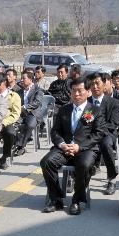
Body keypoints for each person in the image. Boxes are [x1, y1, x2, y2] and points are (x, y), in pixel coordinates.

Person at [41, 78, 105, 215]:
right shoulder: (64, 110)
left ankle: (77, 200)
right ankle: (56, 198)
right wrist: (63, 144)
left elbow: (98, 134)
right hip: (64, 148)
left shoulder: (95, 111)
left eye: (80, 91)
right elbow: (55, 131)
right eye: (73, 91)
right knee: (46, 162)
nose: (76, 94)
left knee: (85, 165)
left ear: (88, 92)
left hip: (85, 149)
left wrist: (79, 147)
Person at [86, 72, 119, 195]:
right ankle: (75, 177)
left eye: (98, 83)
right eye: (92, 84)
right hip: (89, 134)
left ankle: (112, 179)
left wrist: (98, 131)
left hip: (106, 134)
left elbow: (113, 124)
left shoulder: (113, 103)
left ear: (104, 85)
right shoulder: (86, 102)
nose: (95, 86)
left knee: (106, 144)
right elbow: (85, 121)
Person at [13, 69, 44, 155]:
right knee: (10, 124)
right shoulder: (19, 90)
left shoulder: (38, 90)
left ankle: (20, 146)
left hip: (32, 114)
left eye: (24, 78)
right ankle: (17, 142)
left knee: (30, 125)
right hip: (20, 114)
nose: (21, 80)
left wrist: (25, 107)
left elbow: (36, 103)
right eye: (21, 78)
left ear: (30, 80)